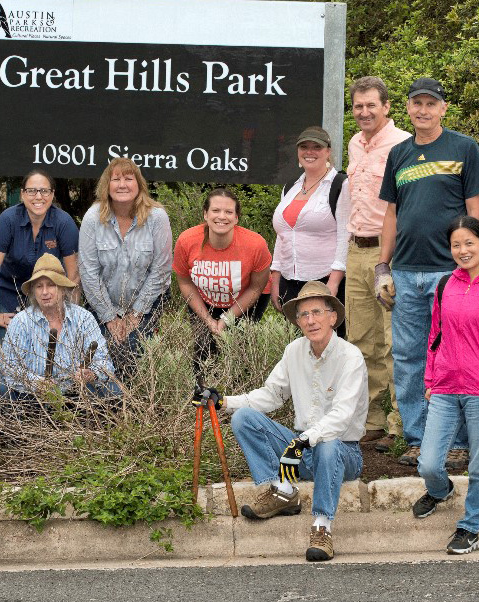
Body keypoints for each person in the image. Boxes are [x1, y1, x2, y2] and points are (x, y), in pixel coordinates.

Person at [203, 281, 367, 563]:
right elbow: (271, 395)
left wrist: (303, 440)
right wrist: (223, 402)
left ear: (332, 317)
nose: (310, 320)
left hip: (343, 452)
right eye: (303, 315)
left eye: (316, 312)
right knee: (244, 418)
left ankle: (321, 527)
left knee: (327, 443)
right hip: (303, 450)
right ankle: (285, 491)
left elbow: (341, 417)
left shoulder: (350, 357)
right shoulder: (294, 351)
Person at [376, 77, 479, 467]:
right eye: (416, 103)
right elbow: (391, 213)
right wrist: (381, 267)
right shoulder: (399, 154)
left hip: (449, 272)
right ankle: (417, 438)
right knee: (408, 357)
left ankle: (456, 442)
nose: (423, 110)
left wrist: (471, 261)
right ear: (407, 108)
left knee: (453, 356)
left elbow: (476, 208)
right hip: (406, 272)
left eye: (431, 103)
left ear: (443, 108)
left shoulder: (463, 148)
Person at [414, 216, 479, 555]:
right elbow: (434, 335)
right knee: (428, 462)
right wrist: (430, 378)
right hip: (444, 386)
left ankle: (470, 528)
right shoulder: (445, 285)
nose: (463, 250)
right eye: (456, 245)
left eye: (469, 243)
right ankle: (440, 489)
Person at [342, 76, 411, 451]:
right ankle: (370, 419)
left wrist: (390, 259)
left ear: (386, 106)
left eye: (371, 105)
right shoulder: (354, 144)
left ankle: (398, 424)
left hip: (390, 253)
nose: (364, 112)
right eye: (358, 106)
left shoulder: (402, 144)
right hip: (356, 249)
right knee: (361, 339)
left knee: (393, 339)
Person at [78, 158, 173, 382]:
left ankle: (131, 407)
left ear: (138, 184)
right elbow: (88, 272)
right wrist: (110, 317)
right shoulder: (93, 218)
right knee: (100, 354)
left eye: (129, 178)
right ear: (106, 185)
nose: (122, 184)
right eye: (116, 178)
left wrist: (135, 315)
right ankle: (102, 407)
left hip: (147, 302)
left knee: (132, 350)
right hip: (102, 303)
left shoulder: (157, 217)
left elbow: (161, 270)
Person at [173, 188, 272, 382]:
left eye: (228, 212)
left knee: (238, 348)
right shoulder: (187, 240)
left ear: (236, 218)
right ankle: (201, 398)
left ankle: (237, 396)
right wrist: (209, 321)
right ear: (205, 214)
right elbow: (185, 282)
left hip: (247, 296)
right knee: (203, 349)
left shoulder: (255, 244)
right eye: (216, 211)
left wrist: (226, 320)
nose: (222, 217)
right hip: (203, 299)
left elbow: (256, 288)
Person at [0, 254, 117, 401]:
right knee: (5, 390)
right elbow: (8, 368)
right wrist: (37, 382)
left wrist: (92, 373)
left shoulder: (83, 318)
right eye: (39, 286)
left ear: (62, 288)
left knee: (114, 390)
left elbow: (104, 361)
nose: (45, 292)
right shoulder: (21, 321)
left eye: (51, 285)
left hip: (77, 394)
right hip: (33, 396)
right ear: (33, 292)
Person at [270, 125, 349, 338]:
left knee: (330, 343)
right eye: (304, 147)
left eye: (317, 147)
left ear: (328, 151)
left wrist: (333, 283)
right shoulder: (290, 188)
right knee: (300, 346)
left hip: (324, 280)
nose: (310, 152)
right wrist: (275, 278)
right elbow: (282, 236)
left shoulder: (340, 185)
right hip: (290, 282)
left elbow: (345, 235)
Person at [0, 170, 80, 343]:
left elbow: (73, 275)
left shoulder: (64, 223)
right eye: (31, 191)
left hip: (48, 292)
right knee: (9, 343)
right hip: (10, 291)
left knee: (48, 344)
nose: (38, 196)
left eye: (44, 191)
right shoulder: (8, 219)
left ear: (52, 194)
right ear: (22, 194)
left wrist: (70, 315)